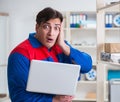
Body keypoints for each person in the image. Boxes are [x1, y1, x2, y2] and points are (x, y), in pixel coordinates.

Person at [7, 7, 92, 102]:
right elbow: (18, 97)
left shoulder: (62, 47)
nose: (51, 33)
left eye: (56, 28)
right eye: (46, 27)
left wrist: (64, 45)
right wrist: (54, 99)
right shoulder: (20, 54)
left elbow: (87, 66)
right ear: (37, 27)